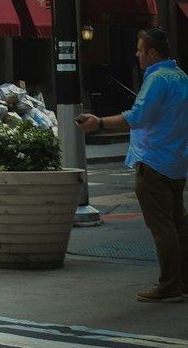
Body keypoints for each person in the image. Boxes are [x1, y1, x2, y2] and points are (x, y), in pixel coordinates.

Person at [77, 25, 188, 302]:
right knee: (178, 224)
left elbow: (138, 116)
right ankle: (182, 281)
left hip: (153, 161)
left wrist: (99, 123)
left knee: (163, 228)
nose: (137, 55)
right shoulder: (181, 77)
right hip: (176, 161)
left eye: (139, 50)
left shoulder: (157, 79)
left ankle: (170, 284)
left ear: (152, 52)